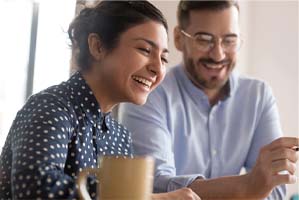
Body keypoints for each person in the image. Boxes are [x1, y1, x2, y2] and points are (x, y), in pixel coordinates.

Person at [0, 1, 201, 200]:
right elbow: (35, 189)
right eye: (145, 50)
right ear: (97, 47)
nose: (157, 68)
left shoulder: (120, 136)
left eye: (164, 58)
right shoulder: (51, 107)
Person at [119, 0, 299, 199]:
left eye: (229, 40)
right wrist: (247, 186)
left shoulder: (258, 96)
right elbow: (154, 187)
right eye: (204, 39)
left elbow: (274, 191)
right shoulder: (148, 92)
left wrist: (257, 185)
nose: (218, 54)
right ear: (179, 39)